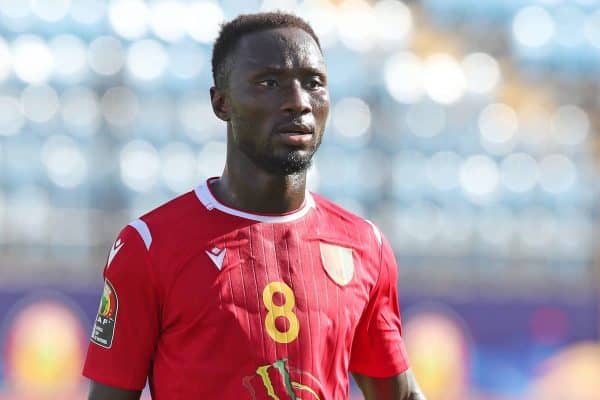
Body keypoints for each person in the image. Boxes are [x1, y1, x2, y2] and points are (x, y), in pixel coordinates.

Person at [83, 11, 425, 400]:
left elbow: (400, 394)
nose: (298, 102)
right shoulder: (150, 245)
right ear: (221, 103)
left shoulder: (365, 246)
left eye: (313, 83)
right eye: (269, 82)